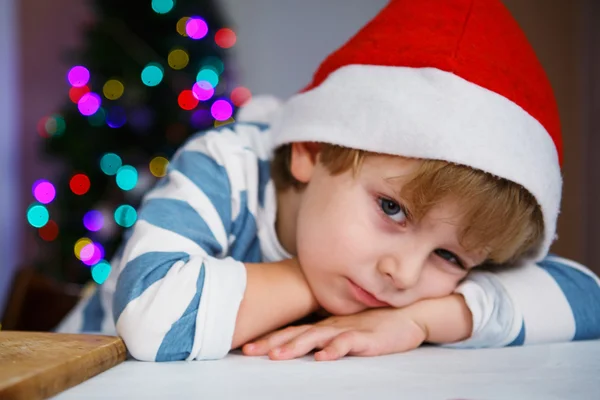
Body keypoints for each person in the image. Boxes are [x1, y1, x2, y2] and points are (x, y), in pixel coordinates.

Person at [55, 0, 600, 362]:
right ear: (311, 150)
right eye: (391, 209)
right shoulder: (225, 165)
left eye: (451, 257)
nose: (402, 274)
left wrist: (423, 321)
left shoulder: (407, 288)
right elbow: (151, 316)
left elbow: (587, 300)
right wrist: (305, 281)